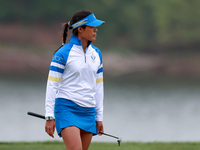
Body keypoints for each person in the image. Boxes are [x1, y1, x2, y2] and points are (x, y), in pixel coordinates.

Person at [44, 10, 105, 150]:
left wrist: (99, 116)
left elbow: (99, 87)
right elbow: (52, 85)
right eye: (92, 27)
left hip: (89, 111)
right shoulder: (62, 53)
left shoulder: (97, 54)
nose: (96, 30)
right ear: (80, 29)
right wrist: (49, 116)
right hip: (67, 108)